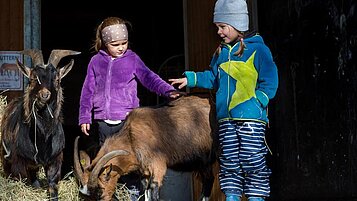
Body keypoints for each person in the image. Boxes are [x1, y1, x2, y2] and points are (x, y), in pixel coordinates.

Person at [169, 0, 278, 200]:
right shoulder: (221, 52)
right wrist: (191, 78)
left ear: (238, 25)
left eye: (222, 27)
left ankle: (256, 198)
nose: (219, 32)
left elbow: (270, 80)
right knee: (228, 162)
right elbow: (212, 77)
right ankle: (232, 197)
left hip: (250, 121)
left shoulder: (259, 50)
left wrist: (258, 101)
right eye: (217, 27)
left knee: (252, 161)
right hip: (226, 122)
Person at [79, 16, 179, 201]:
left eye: (124, 43)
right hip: (103, 121)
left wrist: (168, 91)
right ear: (104, 43)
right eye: (115, 44)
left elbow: (149, 78)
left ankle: (134, 195)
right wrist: (85, 117)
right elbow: (88, 90)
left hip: (128, 122)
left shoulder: (132, 59)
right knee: (108, 165)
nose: (121, 47)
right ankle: (112, 195)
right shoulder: (95, 62)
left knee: (132, 160)